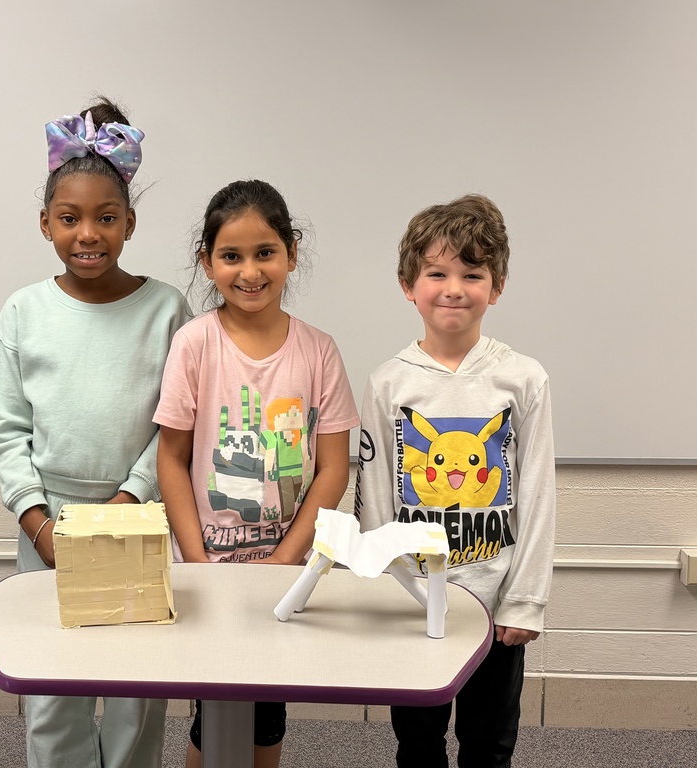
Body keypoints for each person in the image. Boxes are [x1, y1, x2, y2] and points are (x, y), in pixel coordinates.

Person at [0, 97, 189, 768]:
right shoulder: (23, 311)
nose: (88, 234)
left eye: (106, 218)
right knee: (54, 685)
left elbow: (177, 424)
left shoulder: (166, 309)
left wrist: (130, 500)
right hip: (47, 521)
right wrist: (39, 522)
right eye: (69, 218)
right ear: (46, 223)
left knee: (137, 686)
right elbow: (5, 430)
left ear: (129, 221)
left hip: (139, 513)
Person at [154, 179, 360, 768]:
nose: (249, 271)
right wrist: (198, 563)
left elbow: (333, 469)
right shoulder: (194, 344)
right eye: (231, 256)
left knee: (268, 715)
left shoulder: (319, 350)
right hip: (209, 569)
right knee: (212, 713)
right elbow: (171, 458)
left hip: (285, 572)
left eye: (265, 252)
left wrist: (284, 562)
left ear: (291, 253)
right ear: (207, 262)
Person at [355, 194, 556, 768]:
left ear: (497, 286)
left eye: (472, 274)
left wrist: (524, 602)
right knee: (417, 744)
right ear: (408, 284)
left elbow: (538, 496)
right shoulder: (388, 383)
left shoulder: (524, 379)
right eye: (436, 273)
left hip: (493, 606)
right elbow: (374, 498)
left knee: (489, 745)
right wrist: (385, 592)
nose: (453, 289)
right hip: (413, 605)